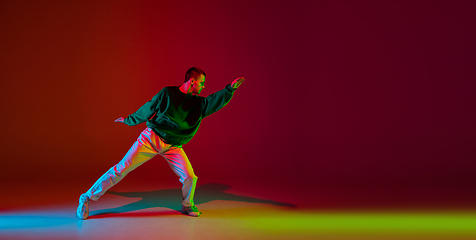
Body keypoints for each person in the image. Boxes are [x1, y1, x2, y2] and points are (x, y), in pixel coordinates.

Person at [76, 67, 245, 219]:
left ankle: (187, 205)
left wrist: (229, 89)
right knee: (121, 169)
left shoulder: (198, 103)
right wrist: (129, 120)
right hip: (151, 138)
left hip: (173, 145)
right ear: (192, 81)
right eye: (201, 83)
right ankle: (86, 198)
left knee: (190, 177)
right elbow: (149, 107)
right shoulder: (168, 93)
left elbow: (213, 101)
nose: (203, 87)